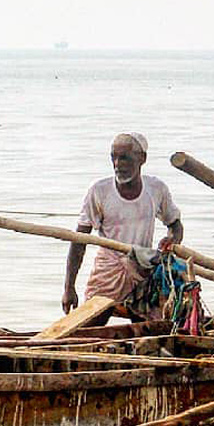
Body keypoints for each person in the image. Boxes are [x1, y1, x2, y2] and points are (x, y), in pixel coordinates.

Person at [62, 133, 184, 320]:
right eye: (114, 157)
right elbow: (79, 241)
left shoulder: (156, 189)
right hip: (108, 270)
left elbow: (175, 225)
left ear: (141, 159)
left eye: (124, 158)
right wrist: (69, 288)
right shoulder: (100, 191)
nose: (118, 164)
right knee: (90, 324)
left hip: (142, 270)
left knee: (150, 330)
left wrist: (172, 240)